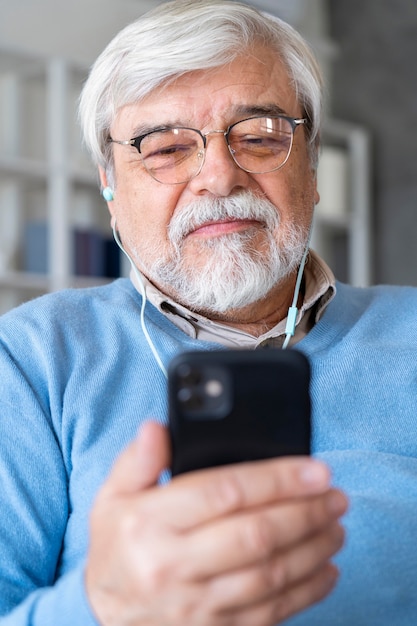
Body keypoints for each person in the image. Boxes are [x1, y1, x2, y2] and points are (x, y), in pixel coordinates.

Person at [1, 0, 417, 624]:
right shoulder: (29, 360)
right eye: (165, 147)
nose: (219, 177)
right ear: (109, 184)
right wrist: (104, 605)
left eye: (259, 136)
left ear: (311, 161)